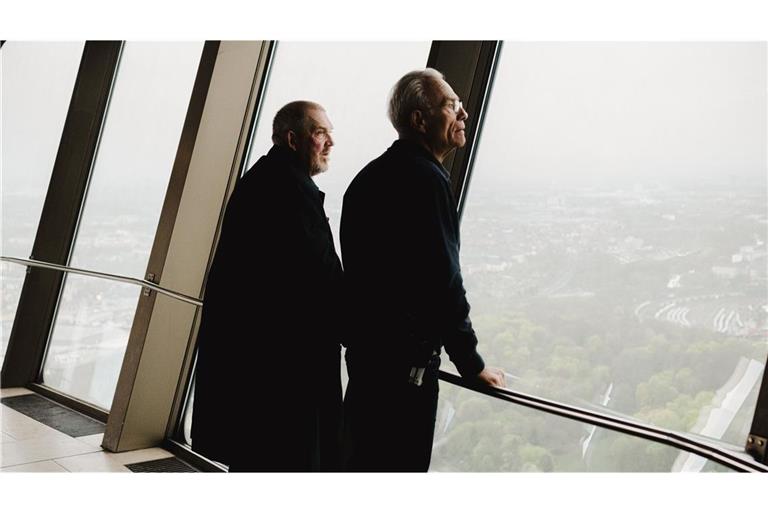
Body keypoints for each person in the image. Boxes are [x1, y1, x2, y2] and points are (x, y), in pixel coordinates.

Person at [341, 69, 506, 471]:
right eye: (451, 105)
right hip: (405, 377)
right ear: (419, 120)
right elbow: (444, 283)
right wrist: (472, 363)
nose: (464, 113)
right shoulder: (428, 183)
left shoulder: (366, 180)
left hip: (367, 367)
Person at [191, 101, 344, 472]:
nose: (330, 143)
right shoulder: (292, 192)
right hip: (284, 377)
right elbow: (320, 277)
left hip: (254, 373)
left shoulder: (261, 180)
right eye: (320, 133)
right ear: (293, 139)